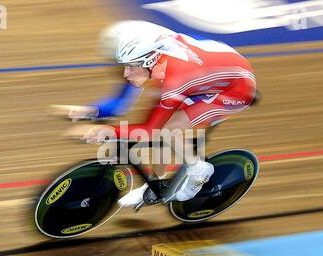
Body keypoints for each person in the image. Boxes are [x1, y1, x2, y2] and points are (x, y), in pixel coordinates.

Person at [67, 20, 257, 207]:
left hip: (236, 90)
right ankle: (154, 184)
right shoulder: (154, 58)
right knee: (163, 134)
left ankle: (198, 168)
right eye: (125, 66)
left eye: (132, 67)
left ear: (149, 61)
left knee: (167, 129)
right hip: (213, 73)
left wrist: (105, 131)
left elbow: (150, 130)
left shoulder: (175, 81)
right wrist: (92, 112)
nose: (126, 73)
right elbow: (121, 103)